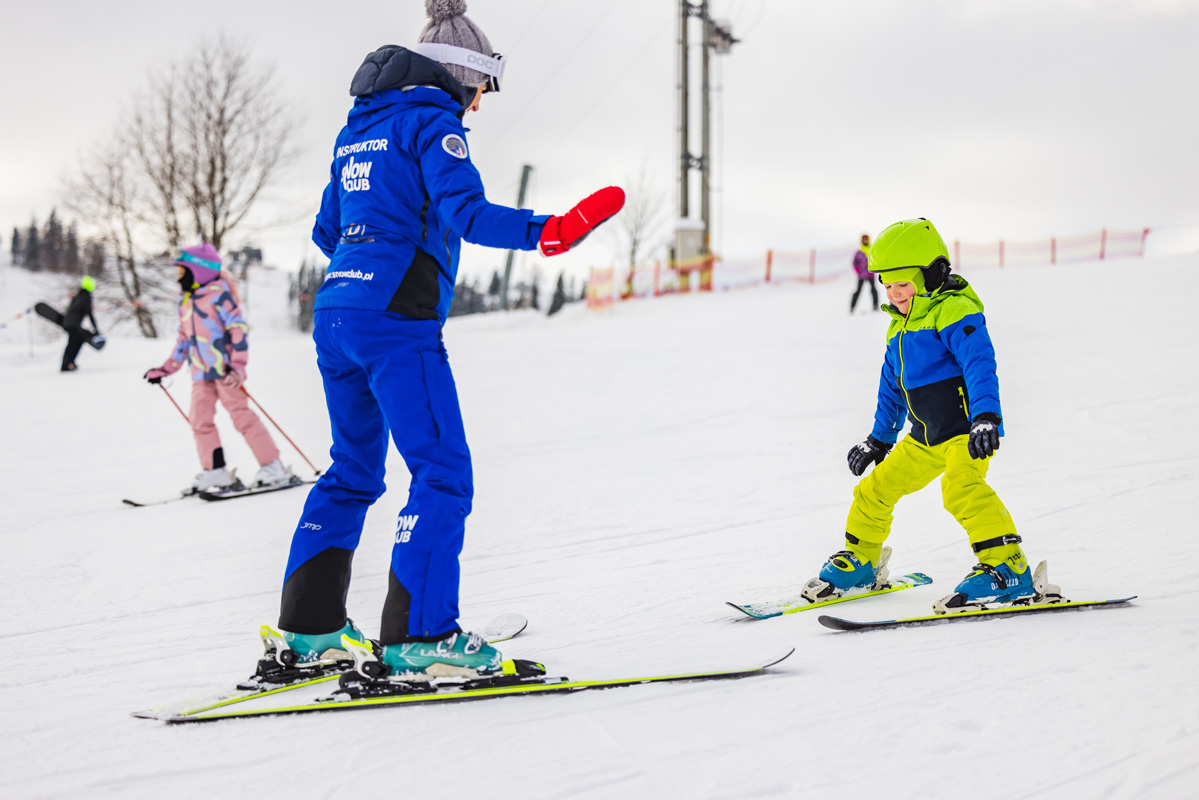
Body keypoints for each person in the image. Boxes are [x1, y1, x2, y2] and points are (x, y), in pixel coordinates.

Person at [269, 0, 624, 680]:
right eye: (482, 89)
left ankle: (310, 631)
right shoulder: (433, 123)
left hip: (337, 311)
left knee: (351, 473)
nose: (479, 106)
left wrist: (375, 244)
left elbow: (326, 229)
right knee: (441, 473)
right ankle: (422, 636)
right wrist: (550, 231)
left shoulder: (359, 128)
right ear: (461, 74)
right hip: (396, 321)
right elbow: (468, 214)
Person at [806, 218, 1038, 613]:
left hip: (965, 432)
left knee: (961, 488)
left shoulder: (953, 311)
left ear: (930, 274)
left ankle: (1008, 568)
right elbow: (891, 386)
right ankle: (862, 562)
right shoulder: (899, 326)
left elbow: (979, 362)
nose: (894, 294)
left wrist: (986, 417)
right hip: (924, 437)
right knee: (874, 489)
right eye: (888, 284)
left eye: (904, 284)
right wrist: (879, 438)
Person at [143, 243, 291, 494]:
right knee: (199, 421)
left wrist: (238, 366)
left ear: (199, 271)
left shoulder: (220, 296)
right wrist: (165, 369)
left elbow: (238, 331)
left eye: (182, 271)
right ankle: (215, 472)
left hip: (225, 372)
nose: (179, 277)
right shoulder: (186, 302)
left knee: (243, 418)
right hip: (201, 374)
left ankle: (273, 466)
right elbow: (183, 340)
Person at [60, 276, 100, 371]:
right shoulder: (86, 297)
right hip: (74, 324)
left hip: (67, 322)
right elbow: (89, 313)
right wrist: (96, 328)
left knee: (75, 341)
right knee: (73, 343)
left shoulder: (78, 295)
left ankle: (68, 363)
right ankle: (67, 364)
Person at [849, 233, 878, 313]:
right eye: (863, 239)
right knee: (858, 291)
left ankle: (875, 306)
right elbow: (854, 263)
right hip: (861, 275)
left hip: (870, 274)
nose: (865, 240)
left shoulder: (872, 250)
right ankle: (852, 307)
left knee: (873, 289)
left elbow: (875, 261)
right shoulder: (859, 252)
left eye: (866, 239)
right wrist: (859, 272)